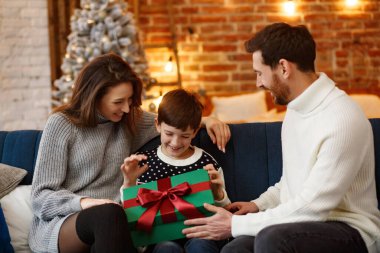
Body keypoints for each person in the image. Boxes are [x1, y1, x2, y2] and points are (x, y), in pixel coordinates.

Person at [183, 22, 380, 253]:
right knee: (235, 249)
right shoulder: (295, 110)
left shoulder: (342, 119)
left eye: (259, 72)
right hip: (302, 224)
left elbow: (314, 207)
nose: (258, 83)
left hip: (351, 230)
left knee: (272, 240)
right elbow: (291, 184)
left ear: (284, 68)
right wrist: (257, 205)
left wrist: (235, 224)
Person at [28, 53, 230, 253]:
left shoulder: (128, 118)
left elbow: (170, 123)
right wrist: (85, 203)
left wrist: (207, 120)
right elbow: (39, 196)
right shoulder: (61, 124)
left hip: (115, 225)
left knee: (116, 218)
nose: (126, 108)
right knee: (108, 214)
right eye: (118, 102)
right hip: (64, 223)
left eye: (130, 100)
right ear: (96, 95)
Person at [121, 88, 231, 253]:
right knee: (167, 249)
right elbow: (134, 216)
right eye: (169, 133)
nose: (175, 142)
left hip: (200, 234)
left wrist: (218, 193)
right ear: (157, 125)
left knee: (201, 245)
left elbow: (225, 211)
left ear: (195, 132)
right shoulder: (144, 163)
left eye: (185, 136)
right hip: (158, 240)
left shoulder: (206, 163)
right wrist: (129, 183)